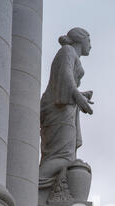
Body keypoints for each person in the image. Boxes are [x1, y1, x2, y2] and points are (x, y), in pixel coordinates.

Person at [39, 27, 93, 189]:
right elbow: (65, 75)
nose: (91, 45)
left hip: (66, 108)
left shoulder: (70, 54)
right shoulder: (67, 51)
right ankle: (32, 184)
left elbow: (65, 81)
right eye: (89, 40)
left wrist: (80, 94)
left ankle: (36, 186)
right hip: (59, 108)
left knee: (64, 156)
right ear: (80, 39)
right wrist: (77, 96)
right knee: (62, 156)